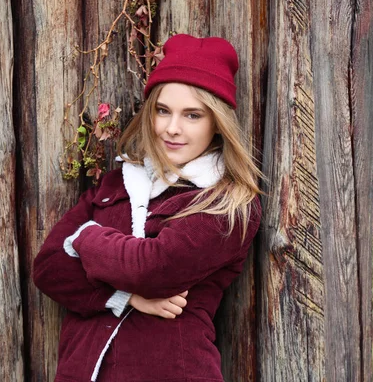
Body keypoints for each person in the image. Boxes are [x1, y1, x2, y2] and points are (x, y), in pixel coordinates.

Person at [33, 33, 262, 382]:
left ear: (217, 124)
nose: (172, 128)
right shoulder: (116, 184)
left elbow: (152, 269)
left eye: (192, 115)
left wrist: (86, 237)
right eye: (163, 111)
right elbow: (49, 269)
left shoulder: (227, 203)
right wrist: (126, 297)